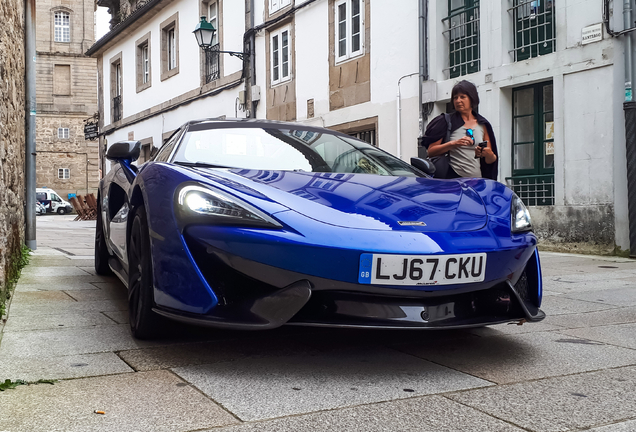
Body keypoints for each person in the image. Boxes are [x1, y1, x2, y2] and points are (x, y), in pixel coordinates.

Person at [420, 80, 498, 180]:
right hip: (452, 181)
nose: (458, 101)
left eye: (462, 97)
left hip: (477, 181)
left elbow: (490, 160)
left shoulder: (483, 124)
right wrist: (454, 144)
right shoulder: (445, 121)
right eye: (455, 98)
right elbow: (431, 152)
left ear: (472, 98)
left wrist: (488, 154)